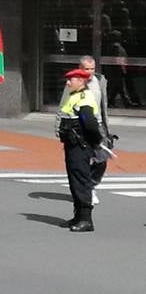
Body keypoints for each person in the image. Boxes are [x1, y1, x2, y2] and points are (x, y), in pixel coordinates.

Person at [56, 67, 108, 233]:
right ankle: (78, 216)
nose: (68, 82)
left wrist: (95, 143)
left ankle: (86, 220)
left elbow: (90, 123)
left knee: (81, 181)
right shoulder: (75, 96)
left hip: (80, 145)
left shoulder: (83, 99)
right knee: (74, 180)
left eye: (71, 80)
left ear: (80, 81)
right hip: (73, 145)